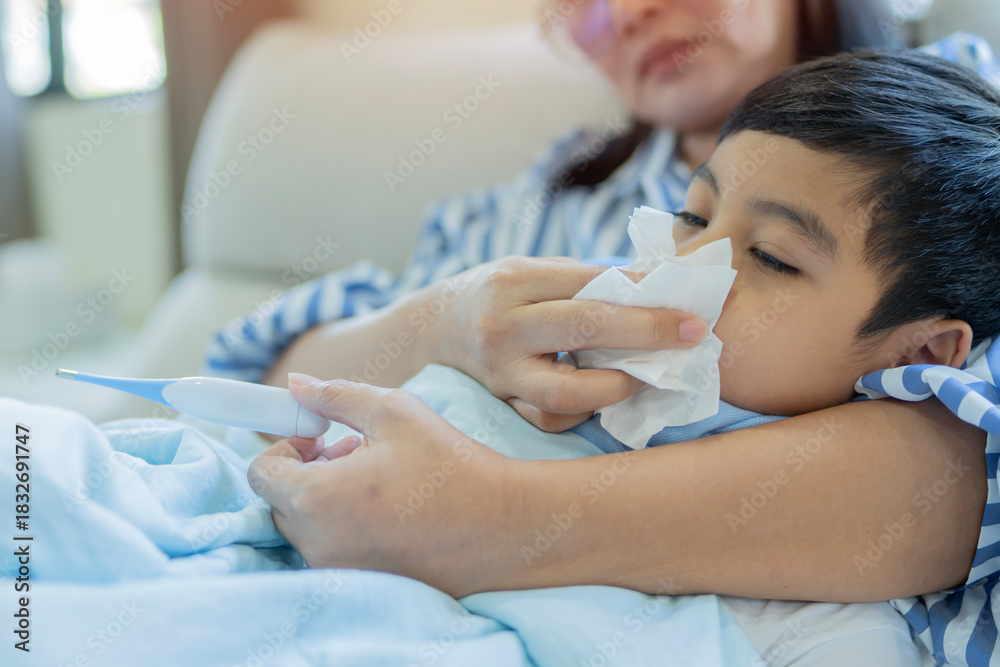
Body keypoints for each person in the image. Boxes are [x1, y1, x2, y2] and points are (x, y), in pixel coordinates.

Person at [203, 0, 1000, 663]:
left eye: (771, 258)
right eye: (580, 2)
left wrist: (494, 518)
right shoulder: (532, 205)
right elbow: (265, 377)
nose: (627, 13)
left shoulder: (960, 141)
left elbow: (969, 445)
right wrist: (439, 321)